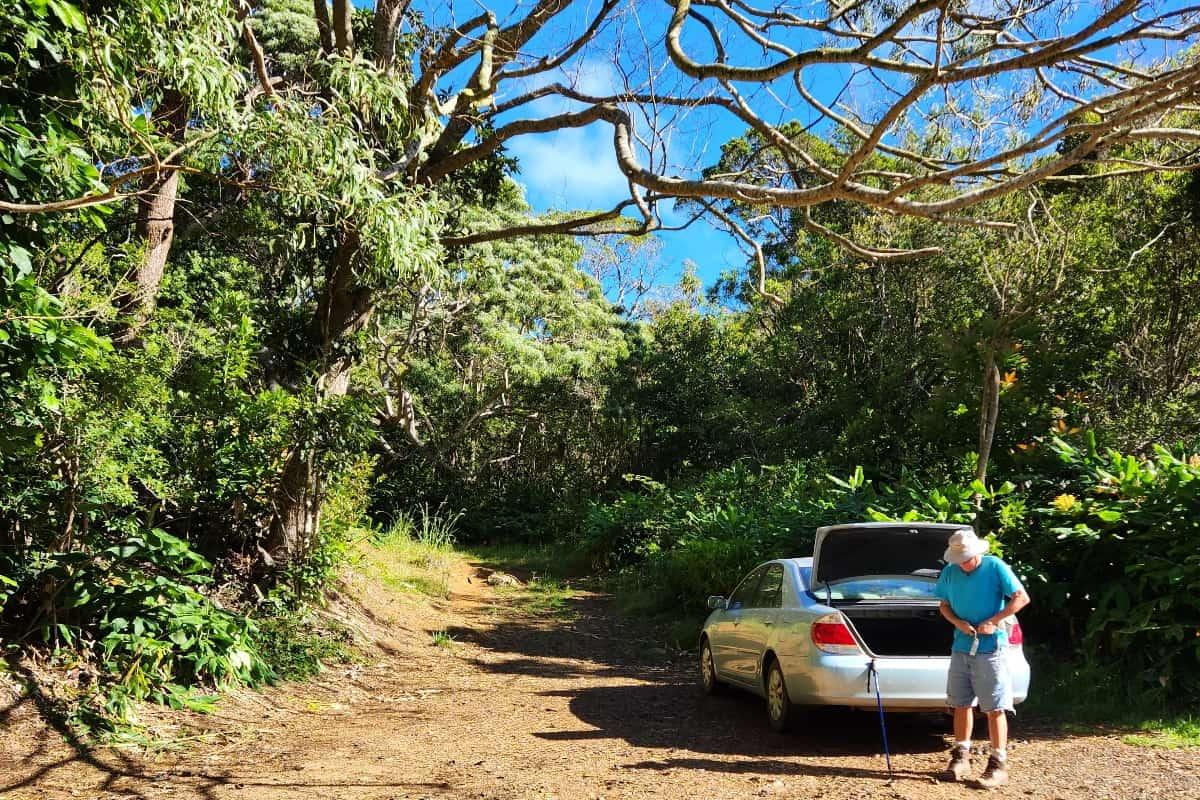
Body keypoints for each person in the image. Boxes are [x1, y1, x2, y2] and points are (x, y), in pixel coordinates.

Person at [935, 528, 1030, 788]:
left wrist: (994, 621)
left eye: (967, 558)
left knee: (994, 707)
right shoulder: (951, 571)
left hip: (991, 649)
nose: (964, 563)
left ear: (977, 553)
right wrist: (958, 622)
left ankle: (998, 763)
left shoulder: (995, 566)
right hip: (961, 647)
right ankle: (960, 757)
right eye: (960, 559)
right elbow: (943, 604)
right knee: (960, 703)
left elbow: (1021, 598)